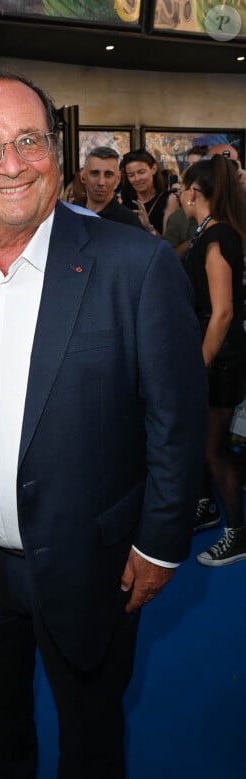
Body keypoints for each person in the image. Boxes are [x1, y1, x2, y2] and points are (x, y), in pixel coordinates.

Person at [0, 68, 208, 779]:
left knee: (90, 739)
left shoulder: (134, 264)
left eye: (27, 140)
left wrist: (160, 543)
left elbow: (175, 417)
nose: (11, 164)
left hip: (94, 560)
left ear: (58, 150)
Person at [180, 155, 246, 567]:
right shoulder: (207, 231)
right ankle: (204, 508)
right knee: (203, 442)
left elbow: (222, 312)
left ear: (191, 192)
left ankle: (238, 533)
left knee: (214, 450)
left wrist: (198, 365)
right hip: (214, 353)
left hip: (221, 358)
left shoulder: (217, 236)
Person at [80, 146, 143, 228]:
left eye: (108, 174)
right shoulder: (71, 213)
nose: (101, 182)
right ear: (83, 176)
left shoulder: (128, 221)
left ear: (118, 178)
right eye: (95, 173)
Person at [121, 149, 178, 235]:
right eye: (131, 175)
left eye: (141, 172)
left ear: (153, 169)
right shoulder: (125, 199)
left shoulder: (169, 199)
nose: (137, 179)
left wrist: (148, 226)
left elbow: (168, 244)